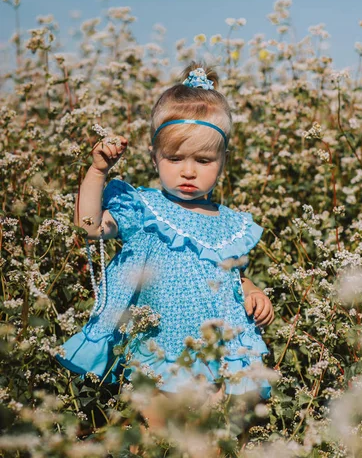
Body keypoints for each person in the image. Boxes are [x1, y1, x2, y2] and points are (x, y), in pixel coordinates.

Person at [57, 62, 274, 430]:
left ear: (223, 162)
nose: (188, 171)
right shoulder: (143, 209)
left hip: (217, 356)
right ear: (154, 155)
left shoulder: (229, 223)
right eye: (175, 159)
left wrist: (254, 293)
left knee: (214, 438)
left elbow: (235, 276)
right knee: (156, 438)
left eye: (203, 160)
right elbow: (88, 228)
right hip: (158, 348)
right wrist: (97, 173)